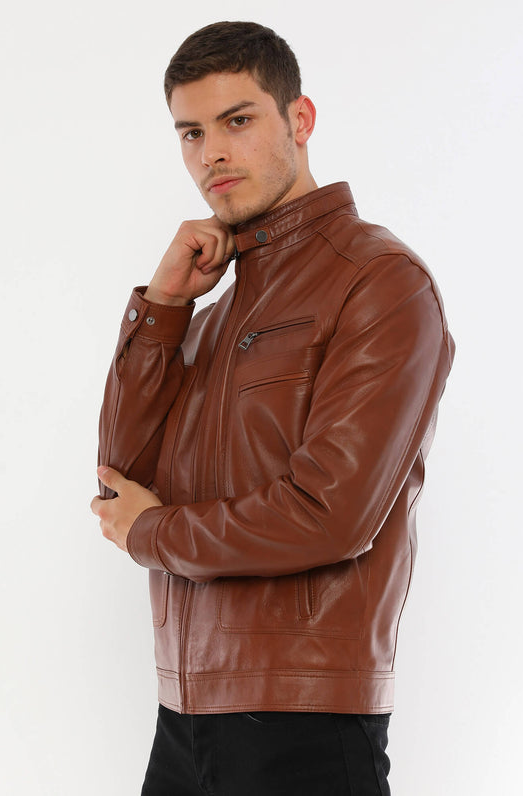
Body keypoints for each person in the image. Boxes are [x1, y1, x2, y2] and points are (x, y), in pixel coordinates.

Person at [91, 20, 455, 796]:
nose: (211, 154)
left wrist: (154, 532)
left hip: (303, 721)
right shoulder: (213, 310)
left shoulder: (379, 282)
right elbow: (119, 481)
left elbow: (331, 514)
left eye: (237, 120)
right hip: (182, 718)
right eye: (191, 133)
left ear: (299, 119)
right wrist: (162, 309)